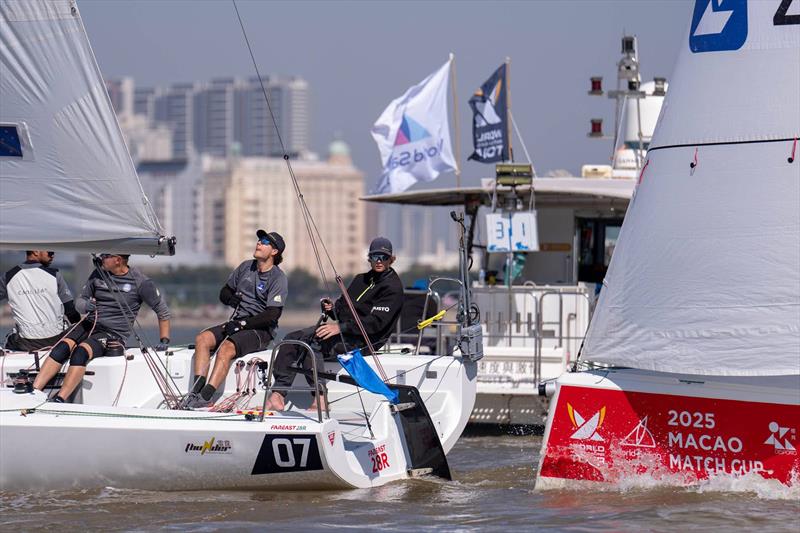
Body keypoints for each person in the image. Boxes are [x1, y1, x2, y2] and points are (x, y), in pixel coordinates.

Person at [265, 237, 404, 411]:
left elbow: (375, 324)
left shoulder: (392, 287)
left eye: (383, 257)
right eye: (375, 256)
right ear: (369, 258)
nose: (378, 261)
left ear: (392, 259)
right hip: (344, 331)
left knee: (312, 341)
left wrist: (340, 327)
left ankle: (320, 398)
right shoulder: (360, 279)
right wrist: (332, 309)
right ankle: (278, 394)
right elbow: (343, 310)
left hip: (366, 340)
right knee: (291, 338)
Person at [32, 253, 171, 402]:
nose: (100, 259)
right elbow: (80, 302)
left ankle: (60, 398)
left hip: (112, 333)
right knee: (61, 348)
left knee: (80, 353)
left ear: (117, 260)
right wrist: (86, 306)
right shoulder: (98, 274)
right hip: (88, 325)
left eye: (105, 256)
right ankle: (34, 393)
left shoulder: (141, 282)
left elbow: (162, 311)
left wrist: (164, 340)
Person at [180, 230, 288, 410]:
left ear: (274, 252)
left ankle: (206, 397)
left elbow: (272, 315)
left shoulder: (278, 278)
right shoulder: (246, 267)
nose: (258, 243)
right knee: (203, 339)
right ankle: (195, 391)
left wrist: (242, 324)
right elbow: (224, 292)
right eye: (258, 240)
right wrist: (231, 299)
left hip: (260, 330)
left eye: (264, 242)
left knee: (227, 348)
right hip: (236, 323)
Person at [1, 251, 80, 351]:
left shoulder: (8, 277)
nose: (53, 255)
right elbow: (70, 311)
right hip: (57, 341)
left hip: (25, 343)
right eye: (50, 252)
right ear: (36, 251)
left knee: (10, 337)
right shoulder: (54, 274)